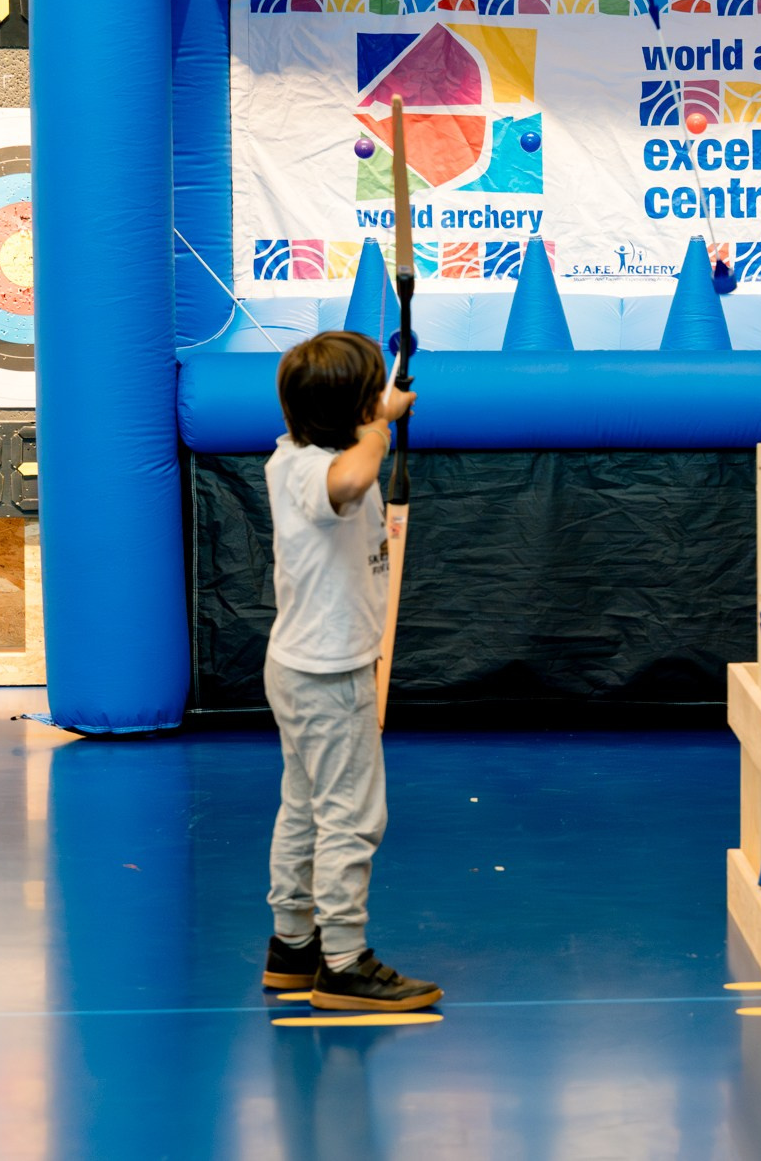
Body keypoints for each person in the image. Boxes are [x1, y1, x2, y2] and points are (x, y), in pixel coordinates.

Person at [258, 330, 441, 1013]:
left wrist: (376, 410)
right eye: (364, 399)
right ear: (348, 412)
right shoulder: (312, 469)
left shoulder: (303, 449)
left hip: (304, 667)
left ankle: (293, 943)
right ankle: (342, 961)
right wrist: (379, 428)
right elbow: (355, 478)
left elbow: (355, 452)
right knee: (351, 816)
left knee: (305, 806)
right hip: (328, 675)